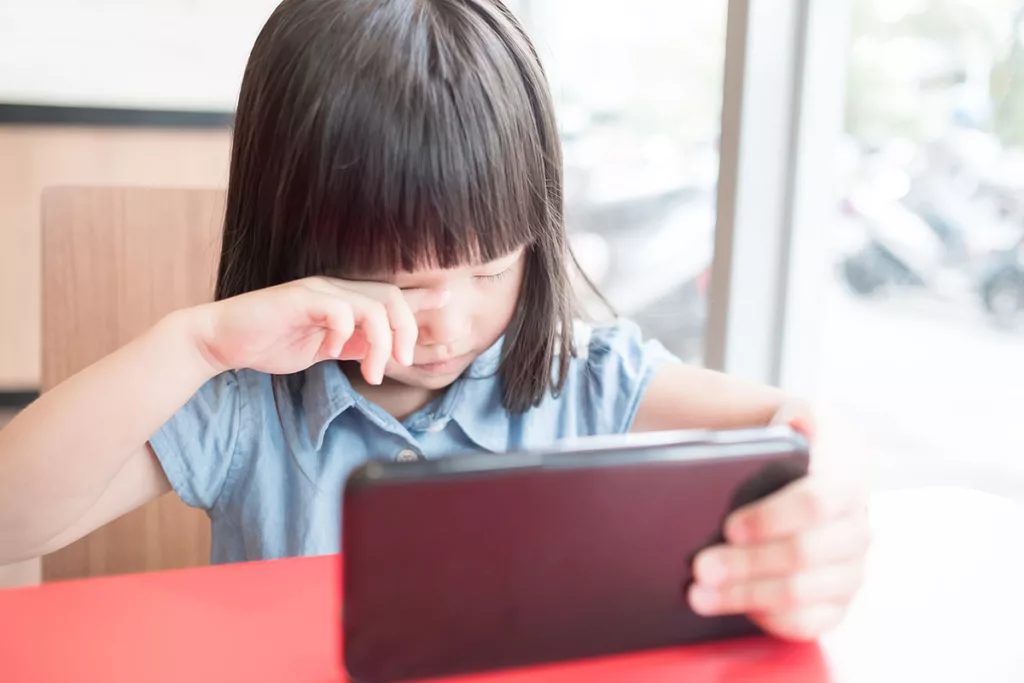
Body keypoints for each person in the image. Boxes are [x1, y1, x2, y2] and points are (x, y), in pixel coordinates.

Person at [0, 0, 868, 642]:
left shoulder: (589, 379)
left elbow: (794, 432)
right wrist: (191, 342)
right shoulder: (245, 401)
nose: (446, 319)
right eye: (399, 284)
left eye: (491, 266)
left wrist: (823, 510)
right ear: (296, 245)